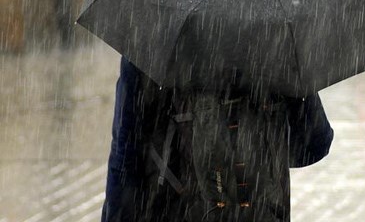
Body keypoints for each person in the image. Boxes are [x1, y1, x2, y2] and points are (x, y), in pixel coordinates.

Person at [101, 57, 334, 221]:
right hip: (260, 211)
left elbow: (126, 155)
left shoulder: (155, 30)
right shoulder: (275, 32)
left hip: (176, 210)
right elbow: (314, 145)